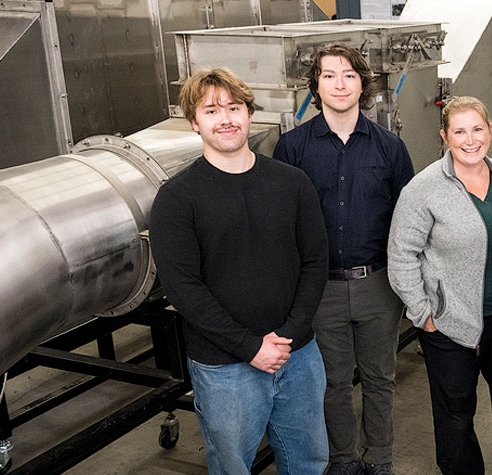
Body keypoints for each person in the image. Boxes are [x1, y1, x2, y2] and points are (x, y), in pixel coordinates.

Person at [149, 68, 330, 474]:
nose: (226, 118)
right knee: (232, 466)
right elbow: (183, 289)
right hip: (224, 366)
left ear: (250, 114)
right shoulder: (177, 198)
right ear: (195, 123)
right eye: (211, 110)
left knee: (309, 461)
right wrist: (250, 347)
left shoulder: (293, 183)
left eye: (234, 107)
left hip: (298, 356)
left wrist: (289, 335)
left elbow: (316, 262)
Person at [273, 43, 413, 475]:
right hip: (321, 288)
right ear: (315, 84)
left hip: (378, 285)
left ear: (363, 84)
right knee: (331, 383)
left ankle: (380, 458)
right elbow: (284, 225)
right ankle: (344, 459)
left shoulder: (390, 147)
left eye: (349, 75)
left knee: (379, 379)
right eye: (329, 75)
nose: (339, 83)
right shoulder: (292, 147)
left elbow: (407, 221)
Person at [387, 96, 492, 475]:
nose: (470, 140)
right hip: (449, 324)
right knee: (455, 417)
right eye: (459, 131)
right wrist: (424, 313)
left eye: (477, 129)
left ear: (490, 131)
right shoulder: (424, 189)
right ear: (444, 136)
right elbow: (402, 255)